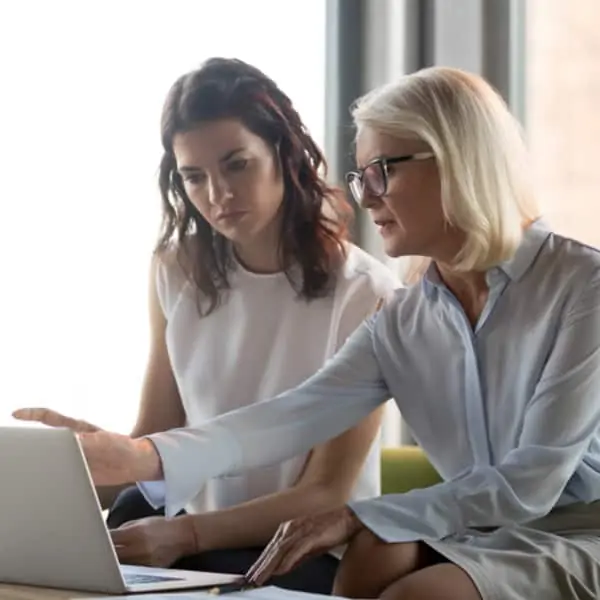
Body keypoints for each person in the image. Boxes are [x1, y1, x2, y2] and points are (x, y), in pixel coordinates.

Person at [20, 65, 600, 600]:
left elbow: (532, 482)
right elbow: (289, 416)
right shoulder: (405, 320)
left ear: (458, 160)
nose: (365, 195)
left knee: (406, 584)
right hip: (476, 527)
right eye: (360, 175)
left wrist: (355, 515)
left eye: (383, 172)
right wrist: (140, 454)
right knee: (373, 556)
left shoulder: (582, 284)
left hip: (579, 529)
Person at [13, 58, 399, 594]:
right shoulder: (176, 268)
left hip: (296, 551)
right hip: (186, 539)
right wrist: (75, 467)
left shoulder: (368, 293)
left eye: (236, 165)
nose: (217, 194)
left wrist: (186, 536)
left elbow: (326, 493)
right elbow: (156, 441)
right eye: (194, 176)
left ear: (284, 156)